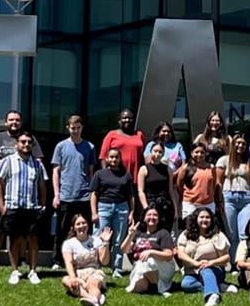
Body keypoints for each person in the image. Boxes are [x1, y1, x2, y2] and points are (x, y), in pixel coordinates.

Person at [0, 111, 44, 265]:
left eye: (17, 120)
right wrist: (9, 164)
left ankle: (22, 258)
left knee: (23, 229)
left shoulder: (29, 139)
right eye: (11, 120)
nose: (14, 122)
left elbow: (38, 159)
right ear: (6, 122)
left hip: (24, 192)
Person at [0, 131, 49, 285]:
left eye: (29, 142)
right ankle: (14, 271)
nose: (26, 145)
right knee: (14, 240)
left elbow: (42, 184)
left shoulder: (37, 164)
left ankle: (33, 271)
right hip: (13, 206)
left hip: (32, 207)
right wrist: (1, 205)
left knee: (33, 240)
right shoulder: (8, 161)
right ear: (16, 144)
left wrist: (43, 205)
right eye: (23, 142)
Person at [52, 115, 95, 269]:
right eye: (72, 128)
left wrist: (91, 194)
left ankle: (83, 259)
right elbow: (56, 171)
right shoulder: (61, 146)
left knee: (84, 228)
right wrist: (56, 195)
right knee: (62, 230)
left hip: (83, 195)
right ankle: (58, 260)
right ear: (68, 128)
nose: (75, 131)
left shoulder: (89, 147)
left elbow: (91, 172)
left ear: (82, 128)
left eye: (78, 128)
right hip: (66, 195)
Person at [216, 132, 250, 261]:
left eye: (243, 144)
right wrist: (219, 201)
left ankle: (242, 260)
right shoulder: (224, 161)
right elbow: (218, 182)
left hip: (246, 198)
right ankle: (232, 261)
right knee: (231, 233)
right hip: (228, 198)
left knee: (244, 233)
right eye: (238, 143)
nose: (240, 146)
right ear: (233, 145)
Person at [177, 209, 234, 306]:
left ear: (212, 220)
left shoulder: (217, 235)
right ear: (196, 219)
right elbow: (180, 254)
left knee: (205, 269)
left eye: (207, 217)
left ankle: (213, 295)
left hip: (214, 269)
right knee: (186, 284)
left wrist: (211, 262)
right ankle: (218, 286)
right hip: (192, 271)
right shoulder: (186, 234)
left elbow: (226, 257)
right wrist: (195, 263)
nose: (205, 220)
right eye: (202, 217)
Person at [91, 148, 135, 277]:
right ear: (107, 159)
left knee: (118, 239)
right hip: (103, 207)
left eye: (116, 157)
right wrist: (94, 212)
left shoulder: (126, 175)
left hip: (122, 208)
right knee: (99, 238)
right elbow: (94, 194)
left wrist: (132, 212)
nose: (114, 160)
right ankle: (95, 266)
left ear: (120, 159)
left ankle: (117, 268)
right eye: (111, 157)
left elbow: (131, 195)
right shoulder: (100, 174)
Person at [61, 215, 114, 306]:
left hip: (94, 272)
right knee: (65, 280)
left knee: (92, 284)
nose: (81, 226)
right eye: (78, 224)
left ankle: (91, 299)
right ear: (73, 228)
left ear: (88, 225)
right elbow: (68, 262)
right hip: (78, 274)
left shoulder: (96, 240)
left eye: (84, 223)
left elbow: (104, 262)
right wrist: (73, 278)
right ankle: (94, 299)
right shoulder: (68, 243)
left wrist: (105, 243)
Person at [122, 207, 177, 297]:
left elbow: (169, 255)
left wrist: (151, 252)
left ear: (159, 219)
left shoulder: (163, 233)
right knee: (137, 288)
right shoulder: (138, 233)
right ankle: (153, 286)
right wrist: (130, 236)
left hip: (163, 267)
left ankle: (162, 289)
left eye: (155, 215)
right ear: (144, 218)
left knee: (149, 260)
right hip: (140, 266)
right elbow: (124, 250)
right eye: (149, 215)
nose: (152, 217)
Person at [176, 144, 220, 229]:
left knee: (208, 229)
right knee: (190, 228)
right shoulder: (185, 168)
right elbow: (179, 185)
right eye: (196, 152)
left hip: (208, 203)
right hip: (190, 204)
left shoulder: (211, 167)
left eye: (202, 152)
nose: (199, 154)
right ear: (192, 153)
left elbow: (214, 184)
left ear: (206, 154)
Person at [99, 109, 145, 183]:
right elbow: (103, 157)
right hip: (116, 176)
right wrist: (105, 175)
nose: (127, 120)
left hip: (135, 177)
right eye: (124, 118)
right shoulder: (111, 135)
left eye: (130, 118)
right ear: (119, 121)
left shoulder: (139, 135)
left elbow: (143, 156)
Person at [139, 143, 175, 232]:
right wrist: (146, 208)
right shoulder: (144, 169)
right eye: (155, 151)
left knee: (165, 232)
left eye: (160, 152)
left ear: (163, 154)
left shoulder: (167, 169)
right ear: (150, 152)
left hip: (165, 205)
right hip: (150, 204)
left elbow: (171, 190)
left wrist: (175, 209)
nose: (157, 154)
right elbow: (140, 191)